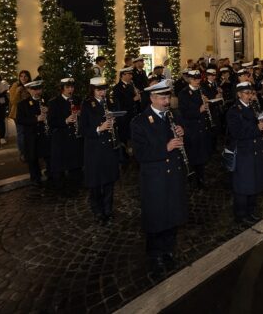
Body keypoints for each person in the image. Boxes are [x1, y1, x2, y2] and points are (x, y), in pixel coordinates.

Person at [130, 80, 188, 277]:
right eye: (162, 98)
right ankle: (155, 254)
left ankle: (169, 249)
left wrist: (182, 132)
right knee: (156, 216)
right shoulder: (139, 121)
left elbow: (179, 137)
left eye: (168, 97)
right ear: (152, 98)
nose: (167, 101)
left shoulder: (174, 115)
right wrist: (166, 147)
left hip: (173, 174)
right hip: (155, 178)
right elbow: (140, 153)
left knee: (172, 212)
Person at [226, 82, 263, 225]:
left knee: (254, 181)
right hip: (243, 152)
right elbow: (237, 133)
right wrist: (257, 128)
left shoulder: (253, 107)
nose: (249, 96)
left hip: (255, 150)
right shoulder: (234, 111)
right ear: (239, 94)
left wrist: (262, 126)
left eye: (250, 93)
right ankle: (241, 214)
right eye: (246, 93)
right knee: (243, 185)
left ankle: (251, 211)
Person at [79, 77, 120, 224]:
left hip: (109, 148)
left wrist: (113, 121)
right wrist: (99, 128)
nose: (102, 92)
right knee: (96, 183)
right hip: (94, 150)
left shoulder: (108, 102)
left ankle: (108, 209)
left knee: (109, 181)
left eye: (104, 89)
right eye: (99, 90)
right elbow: (83, 129)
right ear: (93, 90)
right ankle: (98, 211)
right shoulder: (86, 104)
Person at [46, 77, 83, 193]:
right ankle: (62, 188)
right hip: (61, 137)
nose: (70, 89)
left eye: (72, 87)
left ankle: (76, 185)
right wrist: (65, 121)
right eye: (67, 87)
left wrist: (80, 115)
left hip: (75, 136)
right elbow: (51, 122)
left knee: (76, 163)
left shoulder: (77, 99)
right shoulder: (54, 102)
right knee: (61, 164)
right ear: (62, 89)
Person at [177, 70, 213, 188]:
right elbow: (184, 112)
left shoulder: (202, 90)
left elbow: (207, 106)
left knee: (202, 153)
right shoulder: (183, 93)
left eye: (199, 79)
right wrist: (199, 110)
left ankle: (201, 178)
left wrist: (207, 102)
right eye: (195, 79)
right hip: (191, 128)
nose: (198, 81)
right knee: (192, 153)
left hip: (202, 126)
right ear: (190, 79)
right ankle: (190, 176)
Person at [15, 80, 50, 186]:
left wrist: (48, 112)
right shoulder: (22, 104)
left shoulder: (47, 102)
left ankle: (51, 174)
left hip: (44, 134)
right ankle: (35, 178)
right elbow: (20, 120)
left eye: (39, 89)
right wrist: (36, 119)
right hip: (31, 135)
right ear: (29, 90)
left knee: (49, 156)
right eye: (34, 89)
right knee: (32, 158)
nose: (37, 92)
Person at [8, 70, 32, 158]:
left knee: (29, 133)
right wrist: (18, 91)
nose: (23, 78)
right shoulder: (15, 86)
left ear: (29, 77)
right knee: (21, 133)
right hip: (17, 113)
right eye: (21, 76)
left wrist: (30, 91)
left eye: (25, 76)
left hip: (30, 113)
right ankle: (23, 153)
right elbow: (13, 101)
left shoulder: (31, 86)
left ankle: (31, 151)